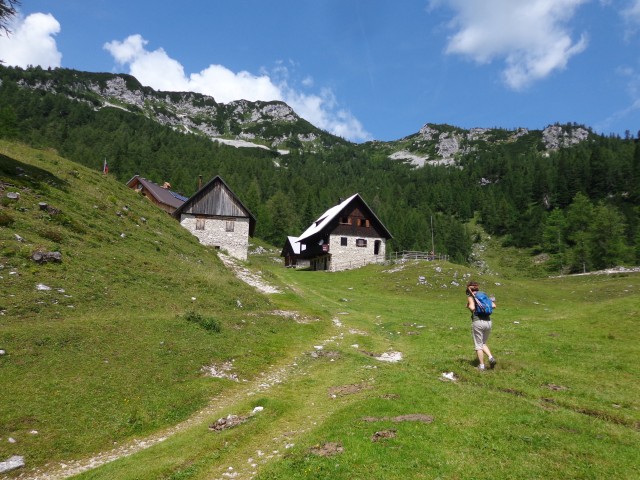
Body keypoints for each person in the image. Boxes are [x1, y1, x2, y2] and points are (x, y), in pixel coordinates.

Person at [466, 281, 497, 370]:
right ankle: (491, 357)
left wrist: (469, 305)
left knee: (478, 345)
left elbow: (472, 308)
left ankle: (482, 366)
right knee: (483, 343)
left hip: (478, 322)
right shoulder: (483, 296)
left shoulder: (471, 297)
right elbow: (494, 305)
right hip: (488, 322)